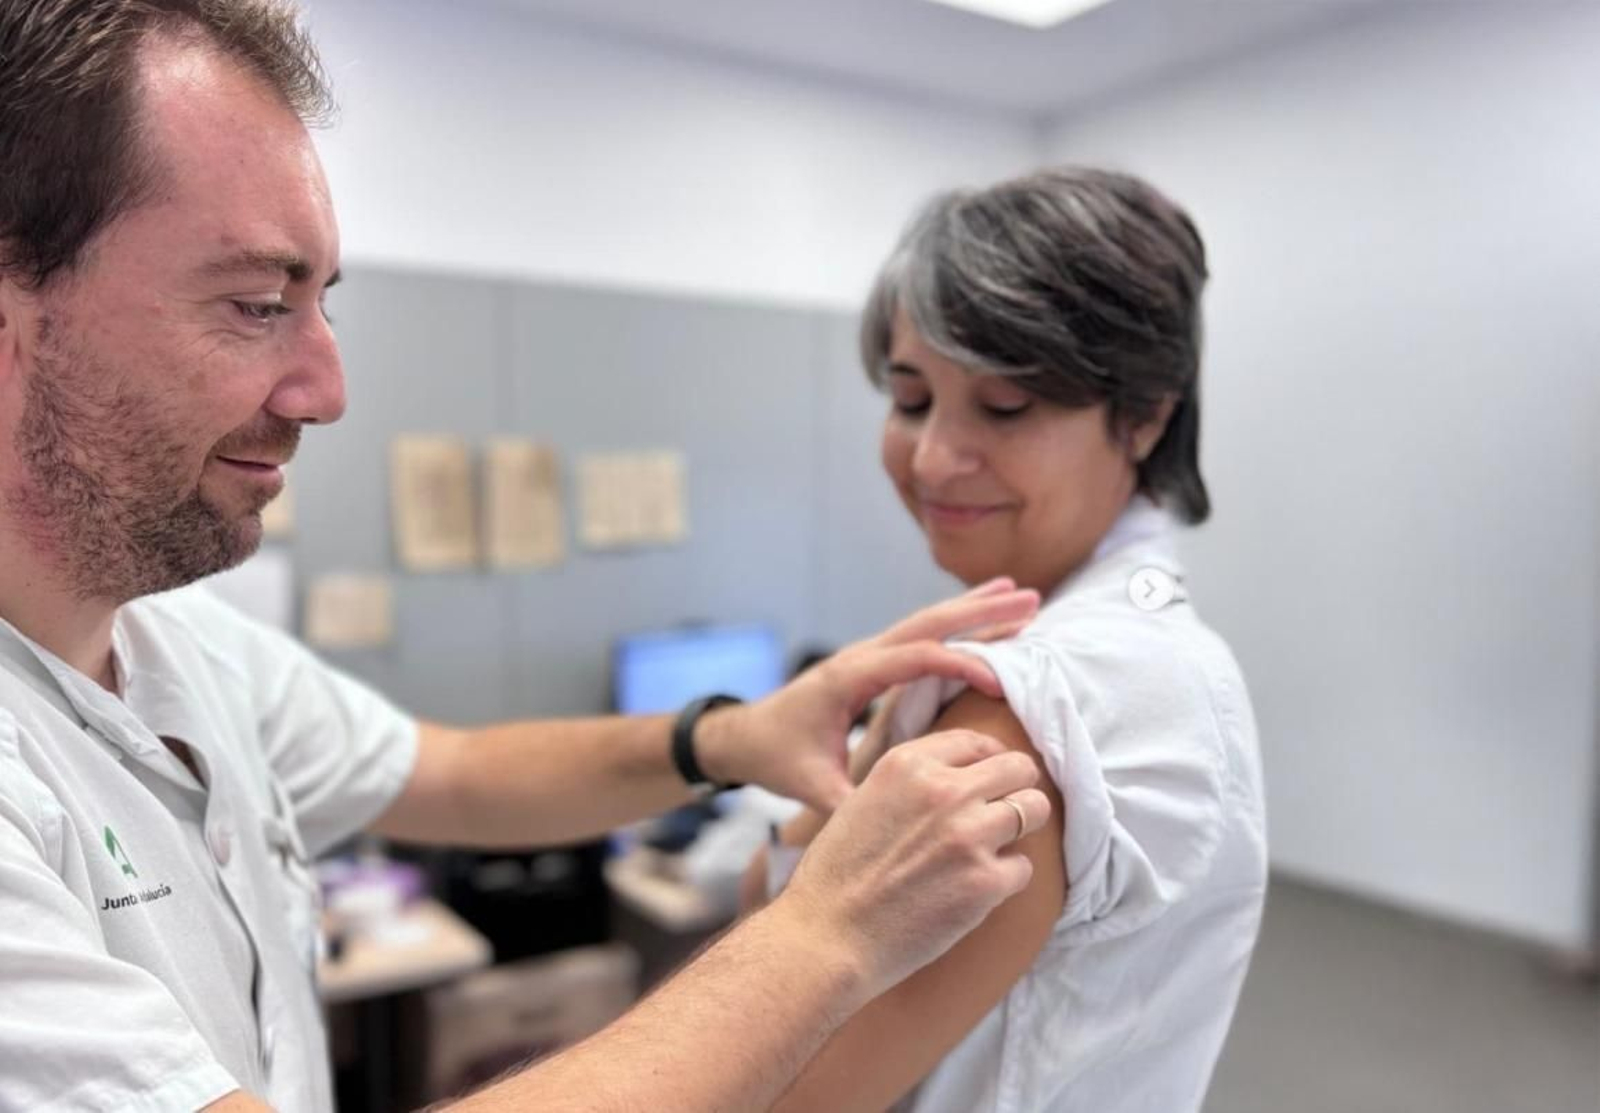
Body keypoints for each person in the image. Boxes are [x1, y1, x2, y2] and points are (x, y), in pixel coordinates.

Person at [0, 2, 1056, 1110]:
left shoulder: (180, 643)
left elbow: (454, 776)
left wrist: (733, 736)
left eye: (318, 307)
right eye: (257, 305)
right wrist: (829, 932)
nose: (327, 390)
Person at [744, 168, 1269, 1111]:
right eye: (911, 399)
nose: (933, 458)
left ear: (1146, 415)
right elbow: (769, 912)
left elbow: (776, 1086)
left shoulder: (1040, 698)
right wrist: (860, 757)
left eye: (1005, 407)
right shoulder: (1119, 639)